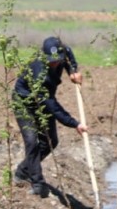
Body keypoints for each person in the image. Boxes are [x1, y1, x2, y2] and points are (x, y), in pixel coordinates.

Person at [12, 36, 88, 198]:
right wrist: (74, 123)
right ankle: (38, 183)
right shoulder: (39, 69)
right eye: (50, 61)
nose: (54, 63)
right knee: (32, 142)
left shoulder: (64, 51)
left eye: (57, 60)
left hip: (44, 99)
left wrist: (73, 71)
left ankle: (23, 170)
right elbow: (51, 105)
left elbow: (68, 56)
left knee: (51, 141)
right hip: (25, 102)